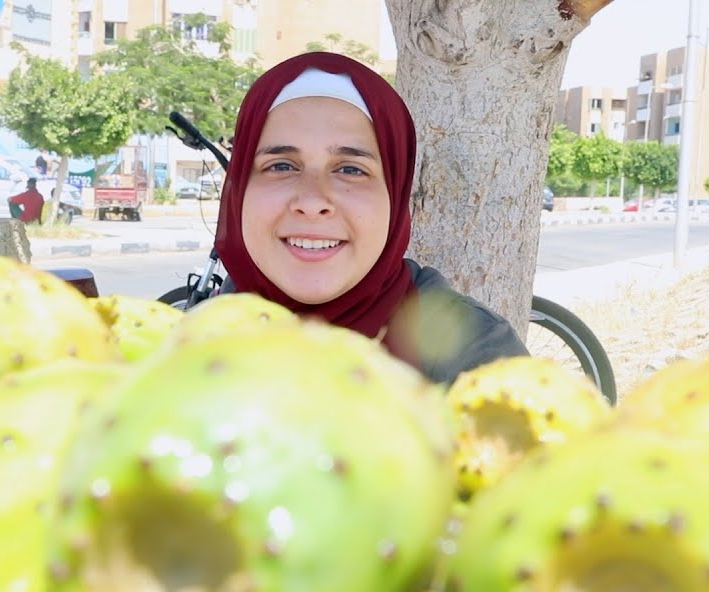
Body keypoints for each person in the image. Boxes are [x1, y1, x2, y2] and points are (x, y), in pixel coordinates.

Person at [211, 51, 528, 385]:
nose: (312, 201)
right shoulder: (178, 344)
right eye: (280, 166)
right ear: (239, 189)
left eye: (350, 169)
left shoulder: (479, 363)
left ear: (395, 192)